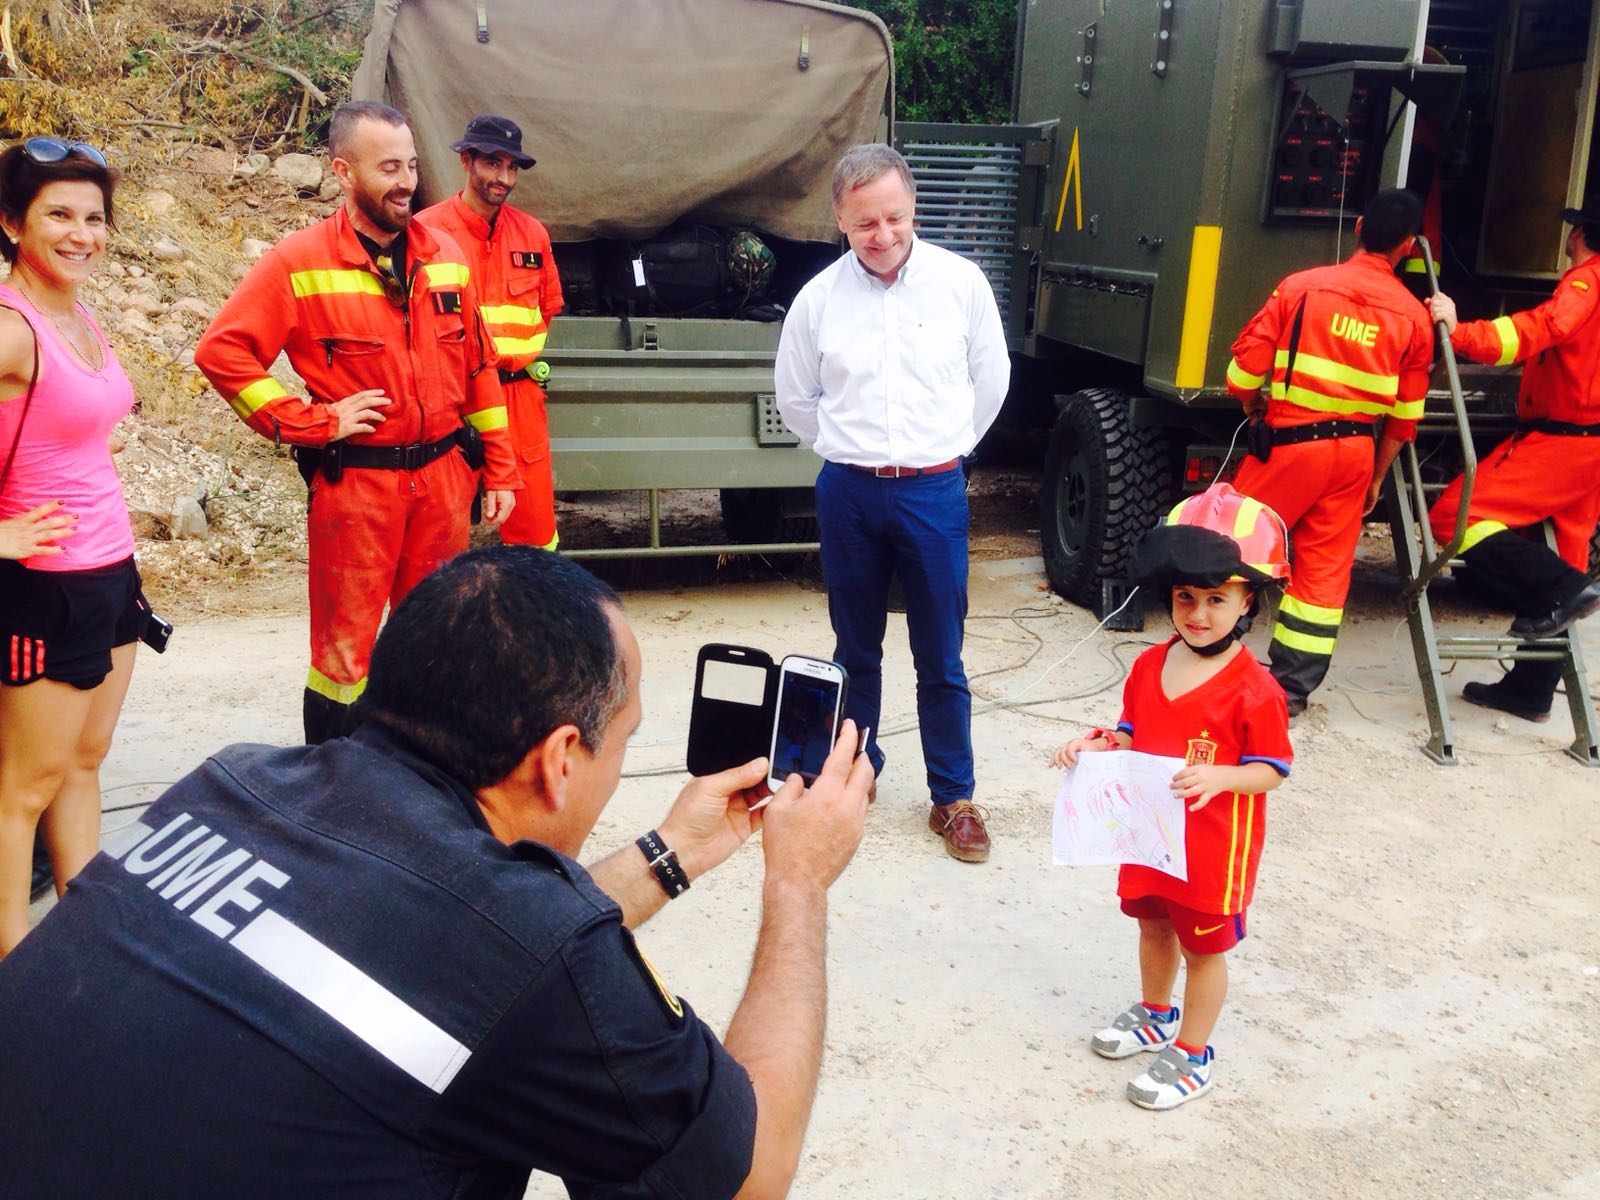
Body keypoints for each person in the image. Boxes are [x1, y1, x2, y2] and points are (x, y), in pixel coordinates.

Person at [0, 546, 873, 1197]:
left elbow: (450, 963)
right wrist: (796, 882)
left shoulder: (232, 783)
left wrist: (671, 854)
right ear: (561, 756)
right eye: (628, 736)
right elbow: (748, 1172)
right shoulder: (541, 955)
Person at [195, 102, 520, 745]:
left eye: (411, 165)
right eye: (388, 168)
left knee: (436, 637)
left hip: (444, 482)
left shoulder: (446, 255)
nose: (406, 181)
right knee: (345, 657)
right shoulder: (299, 261)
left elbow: (479, 365)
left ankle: (421, 779)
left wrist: (500, 467)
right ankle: (335, 785)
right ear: (344, 172)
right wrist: (311, 421)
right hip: (358, 491)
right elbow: (223, 353)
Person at [774, 143, 1010, 862]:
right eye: (864, 224)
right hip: (848, 492)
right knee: (855, 647)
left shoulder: (961, 284)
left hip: (934, 490)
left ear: (912, 208)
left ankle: (955, 798)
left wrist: (945, 449)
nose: (882, 236)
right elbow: (795, 399)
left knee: (940, 652)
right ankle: (855, 771)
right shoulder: (818, 301)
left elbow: (991, 377)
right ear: (840, 222)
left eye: (894, 218)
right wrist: (856, 451)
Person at [1050, 484, 1293, 1110]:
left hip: (1213, 848)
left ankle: (1193, 1051)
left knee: (1203, 947)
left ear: (1249, 602)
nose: (1199, 613)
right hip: (1149, 835)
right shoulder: (1149, 664)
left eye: (1218, 599)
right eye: (1186, 597)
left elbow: (1273, 769)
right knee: (1153, 925)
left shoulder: (1256, 690)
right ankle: (1156, 1012)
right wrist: (1100, 742)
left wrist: (1222, 778)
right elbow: (1132, 730)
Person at [0, 137, 146, 957]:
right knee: (20, 790)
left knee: (84, 762)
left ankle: (84, 945)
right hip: (43, 586)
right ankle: (16, 971)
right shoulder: (11, 328)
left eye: (94, 217)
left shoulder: (75, 312)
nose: (81, 232)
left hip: (108, 574)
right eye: (58, 213)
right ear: (12, 223)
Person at [1225, 188, 1435, 717]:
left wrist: (1255, 408)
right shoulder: (1414, 317)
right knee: (1323, 571)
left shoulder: (1302, 287)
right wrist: (1375, 479)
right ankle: (1290, 692)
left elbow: (1242, 372)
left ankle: (1211, 651)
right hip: (1357, 454)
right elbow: (1404, 420)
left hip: (1292, 445)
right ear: (1409, 247)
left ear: (1360, 225)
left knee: (1234, 546)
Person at [1426, 199, 1600, 722]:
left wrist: (1460, 333)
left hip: (1563, 438)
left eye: (1571, 233)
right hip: (1591, 446)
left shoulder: (1585, 282)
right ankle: (1531, 688)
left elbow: (1541, 329)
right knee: (1564, 551)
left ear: (1581, 236)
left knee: (1453, 515)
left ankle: (1568, 590)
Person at [416, 115, 564, 549]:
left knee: (536, 533)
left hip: (519, 399)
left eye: (512, 167)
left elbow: (548, 308)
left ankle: (533, 614)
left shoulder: (532, 234)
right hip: (452, 398)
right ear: (467, 161)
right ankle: (445, 615)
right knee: (441, 528)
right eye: (493, 164)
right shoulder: (426, 232)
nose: (504, 177)